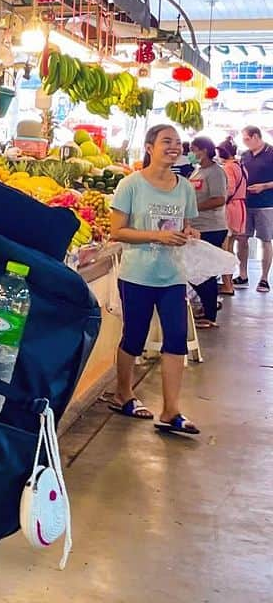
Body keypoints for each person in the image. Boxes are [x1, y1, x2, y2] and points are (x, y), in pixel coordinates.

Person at [108, 123, 201, 437]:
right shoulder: (131, 185)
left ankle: (170, 410)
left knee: (176, 338)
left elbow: (186, 226)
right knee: (134, 337)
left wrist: (189, 234)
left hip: (173, 275)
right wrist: (156, 235)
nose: (174, 146)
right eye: (166, 141)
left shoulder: (184, 187)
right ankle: (123, 394)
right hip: (137, 275)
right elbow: (117, 231)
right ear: (149, 148)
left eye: (177, 142)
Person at [188, 136, 228, 327]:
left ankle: (210, 314)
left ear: (203, 150)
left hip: (211, 227)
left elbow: (219, 199)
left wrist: (194, 208)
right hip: (197, 228)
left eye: (193, 149)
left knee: (204, 272)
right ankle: (208, 305)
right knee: (197, 270)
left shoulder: (215, 172)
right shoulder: (198, 171)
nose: (190, 153)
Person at [240, 124, 273, 292]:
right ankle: (243, 274)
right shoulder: (245, 155)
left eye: (246, 139)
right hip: (245, 204)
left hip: (266, 204)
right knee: (242, 239)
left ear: (256, 137)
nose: (245, 142)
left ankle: (264, 278)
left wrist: (265, 186)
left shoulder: (271, 153)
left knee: (266, 240)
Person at [219, 139, 246, 296]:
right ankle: (229, 283)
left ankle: (227, 284)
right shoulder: (239, 165)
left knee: (225, 249)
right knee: (230, 248)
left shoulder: (228, 167)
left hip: (230, 209)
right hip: (240, 209)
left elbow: (229, 189)